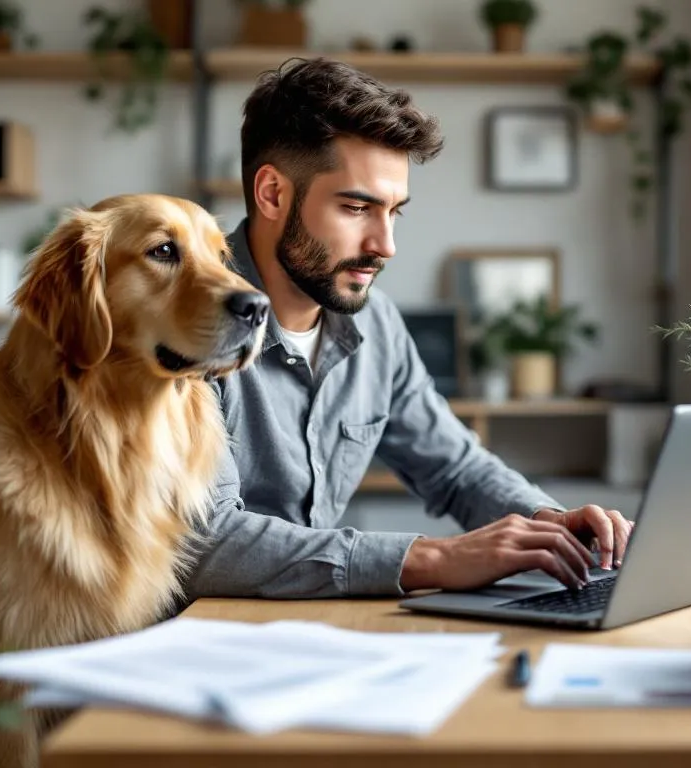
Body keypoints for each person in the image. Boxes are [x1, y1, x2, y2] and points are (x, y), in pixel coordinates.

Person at [181, 57, 633, 601]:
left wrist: (551, 524)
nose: (385, 246)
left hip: (315, 632)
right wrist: (436, 557)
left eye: (395, 212)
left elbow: (456, 468)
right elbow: (205, 544)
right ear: (273, 194)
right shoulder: (186, 323)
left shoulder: (377, 325)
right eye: (356, 207)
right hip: (199, 643)